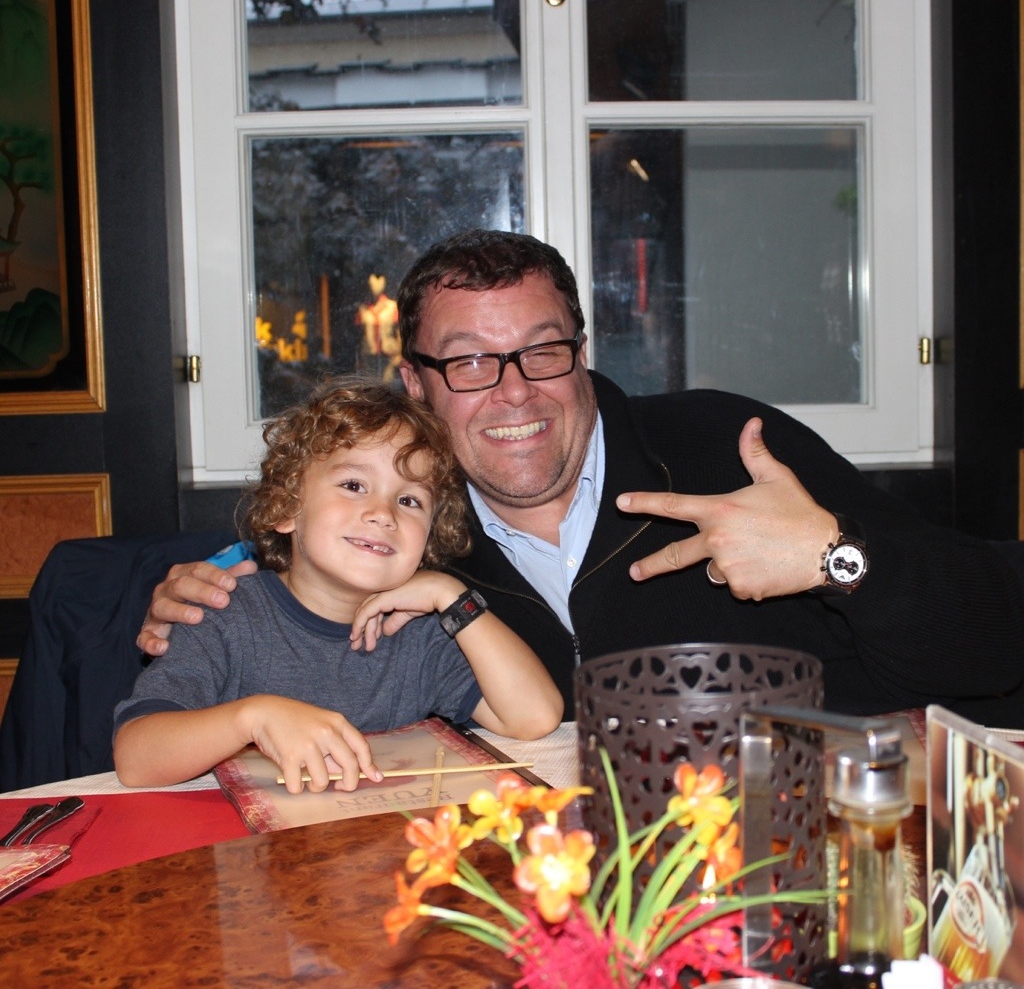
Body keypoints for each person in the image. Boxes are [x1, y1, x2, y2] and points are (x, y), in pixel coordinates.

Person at [138, 231, 1024, 726]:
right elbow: (289, 605)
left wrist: (839, 558)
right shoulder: (403, 533)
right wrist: (207, 590)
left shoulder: (725, 446)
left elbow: (1000, 633)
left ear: (582, 354)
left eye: (542, 351)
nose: (514, 391)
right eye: (469, 362)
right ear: (414, 385)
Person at [115, 378, 562, 793]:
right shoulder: (227, 618)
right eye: (353, 484)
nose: (383, 513)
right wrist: (252, 718)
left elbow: (535, 717)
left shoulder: (417, 635)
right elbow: (135, 758)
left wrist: (450, 596)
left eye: (409, 500)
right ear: (285, 508)